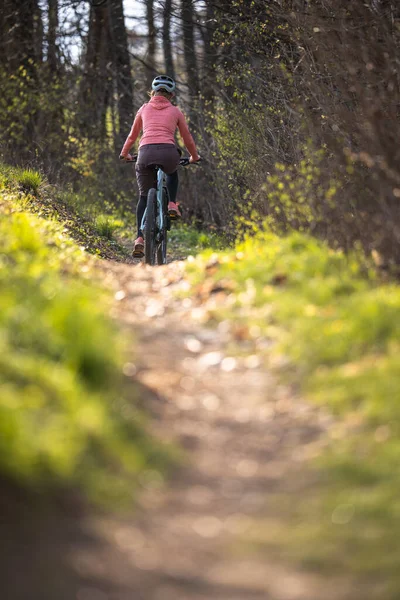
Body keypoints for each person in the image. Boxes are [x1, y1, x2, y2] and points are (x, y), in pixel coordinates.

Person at [119, 75, 201, 258]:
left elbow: (132, 136)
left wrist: (124, 154)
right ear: (171, 94)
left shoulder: (143, 109)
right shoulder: (176, 111)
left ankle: (139, 238)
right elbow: (187, 137)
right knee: (172, 172)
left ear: (153, 92)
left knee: (143, 196)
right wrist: (194, 156)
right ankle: (172, 203)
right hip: (168, 153)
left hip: (144, 153)